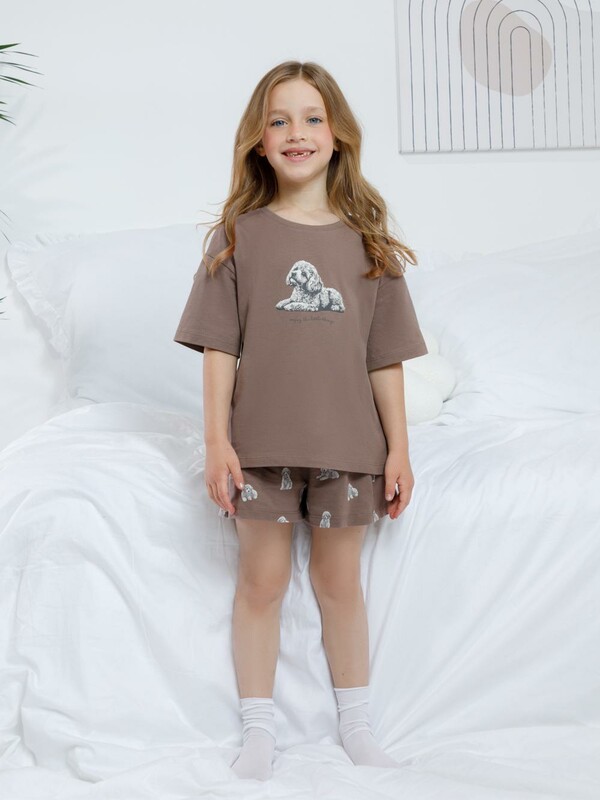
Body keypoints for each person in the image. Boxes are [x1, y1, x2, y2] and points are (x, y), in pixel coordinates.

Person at [173, 60, 428, 782]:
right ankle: (258, 732)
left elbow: (384, 358)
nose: (297, 132)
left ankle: (358, 726)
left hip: (351, 447)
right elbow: (219, 348)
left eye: (313, 118)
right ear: (258, 140)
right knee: (262, 583)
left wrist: (399, 449)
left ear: (338, 133)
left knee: (340, 583)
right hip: (260, 447)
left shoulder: (368, 241)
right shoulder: (237, 237)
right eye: (279, 120)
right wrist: (217, 441)